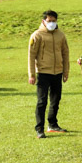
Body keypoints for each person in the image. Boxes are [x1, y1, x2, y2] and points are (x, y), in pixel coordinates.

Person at [27, 10, 70, 138]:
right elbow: (31, 55)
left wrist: (66, 71)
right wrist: (31, 74)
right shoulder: (37, 35)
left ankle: (52, 124)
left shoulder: (61, 35)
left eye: (53, 21)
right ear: (43, 21)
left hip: (57, 72)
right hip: (42, 72)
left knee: (55, 100)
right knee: (42, 101)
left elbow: (65, 53)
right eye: (49, 21)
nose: (51, 23)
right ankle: (39, 128)